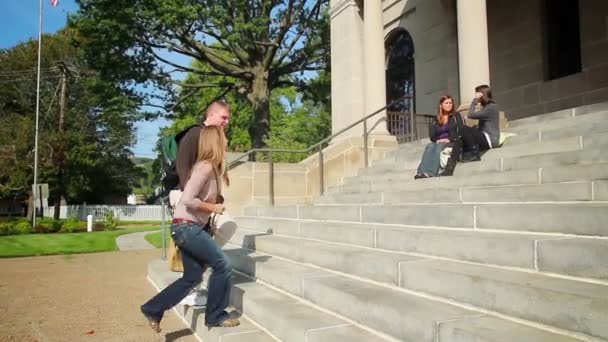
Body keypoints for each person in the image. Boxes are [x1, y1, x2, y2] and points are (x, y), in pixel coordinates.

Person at [141, 125, 239, 332]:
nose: (228, 141)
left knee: (192, 277)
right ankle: (215, 315)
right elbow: (187, 199)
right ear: (216, 142)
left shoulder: (212, 168)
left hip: (191, 228)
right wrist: (214, 207)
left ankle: (153, 308)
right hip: (186, 228)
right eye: (224, 137)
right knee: (222, 265)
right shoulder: (204, 166)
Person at [414, 95, 465, 178]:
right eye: (446, 103)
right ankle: (421, 172)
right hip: (439, 142)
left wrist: (449, 139)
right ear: (441, 105)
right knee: (430, 146)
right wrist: (437, 140)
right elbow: (432, 135)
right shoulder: (436, 119)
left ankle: (431, 172)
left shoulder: (457, 116)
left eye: (450, 103)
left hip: (453, 141)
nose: (449, 105)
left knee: (439, 147)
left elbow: (462, 130)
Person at [460, 85, 500, 162]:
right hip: (485, 137)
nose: (475, 96)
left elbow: (470, 115)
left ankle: (475, 154)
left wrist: (474, 101)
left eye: (477, 94)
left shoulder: (491, 107)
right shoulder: (487, 107)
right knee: (464, 134)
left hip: (490, 139)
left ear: (482, 95)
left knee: (463, 129)